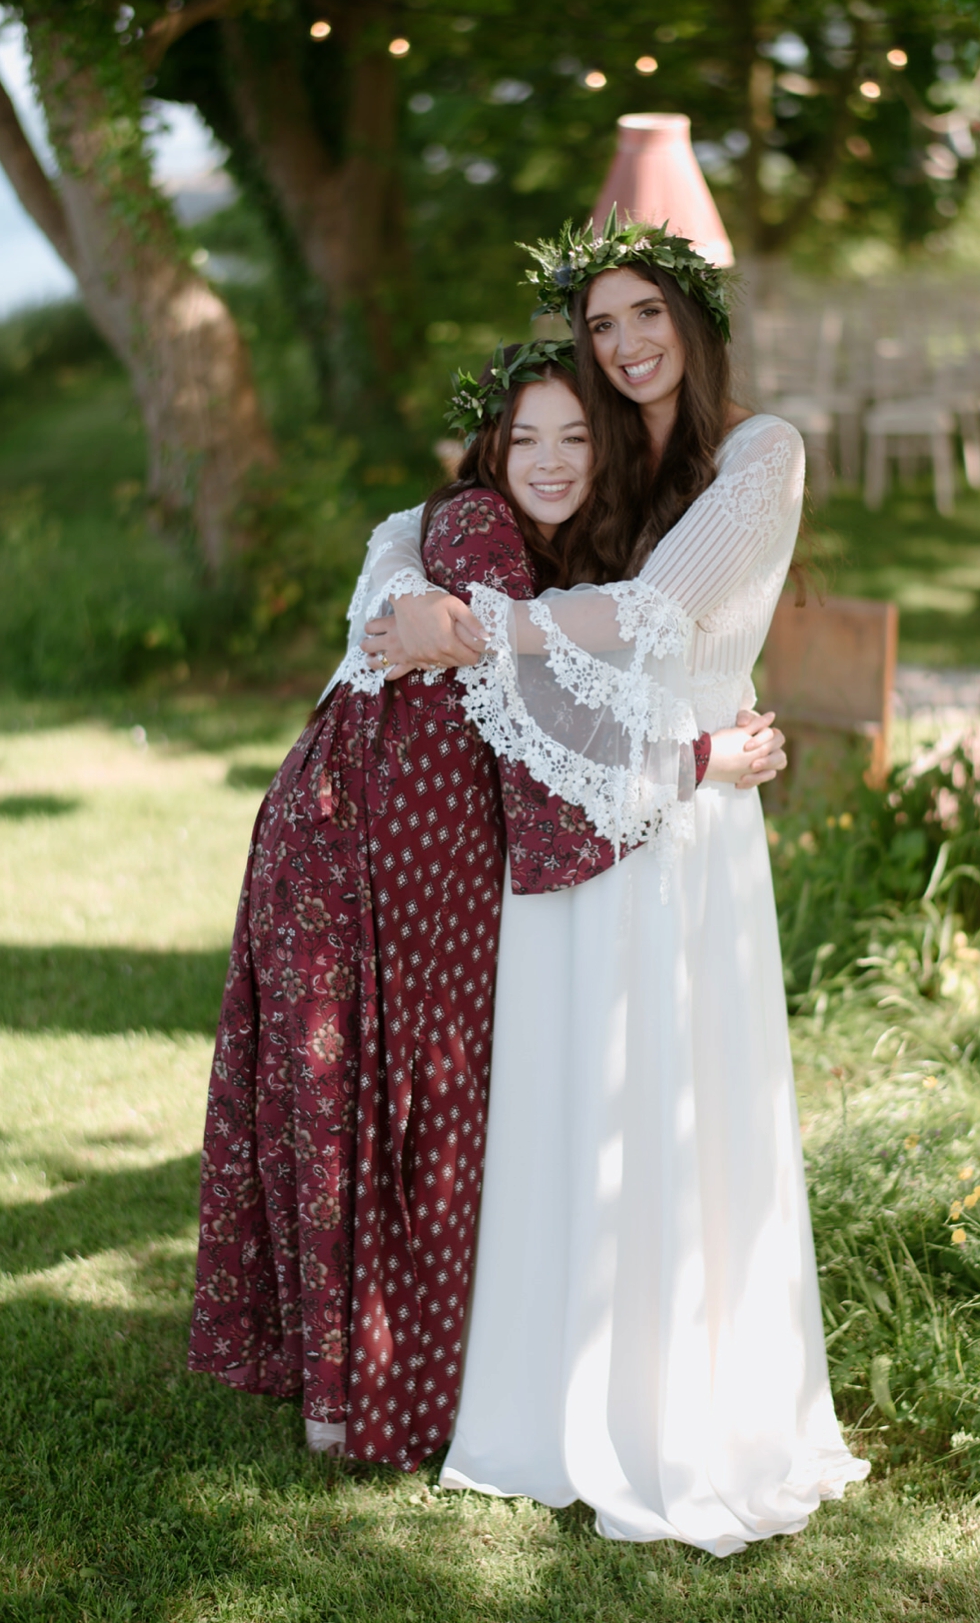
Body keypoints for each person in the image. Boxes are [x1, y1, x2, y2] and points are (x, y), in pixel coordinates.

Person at [361, 214, 869, 1555]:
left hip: (687, 817)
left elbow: (653, 620)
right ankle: (538, 1398)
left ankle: (682, 1408)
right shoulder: (588, 455)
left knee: (675, 1098)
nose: (627, 344)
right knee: (562, 1097)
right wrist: (402, 598)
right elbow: (442, 523)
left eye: (647, 314)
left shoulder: (762, 454)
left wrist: (474, 631)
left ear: (693, 322)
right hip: (571, 811)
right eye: (602, 326)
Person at [188, 338, 781, 1470]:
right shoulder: (474, 530)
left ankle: (369, 1386)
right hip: (360, 844)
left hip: (417, 845)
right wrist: (701, 753)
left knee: (408, 1101)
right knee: (376, 1099)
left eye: (574, 437)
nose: (552, 461)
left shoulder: (518, 546)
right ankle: (365, 1399)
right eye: (527, 439)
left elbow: (541, 664)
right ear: (489, 450)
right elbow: (545, 702)